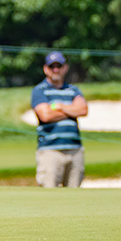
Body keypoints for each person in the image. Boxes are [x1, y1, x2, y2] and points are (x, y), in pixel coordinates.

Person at [31, 51, 88, 188]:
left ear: (65, 68)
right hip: (51, 150)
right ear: (46, 69)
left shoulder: (73, 90)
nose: (56, 70)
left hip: (75, 149)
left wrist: (58, 106)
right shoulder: (40, 90)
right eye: (52, 67)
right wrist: (71, 109)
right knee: (50, 194)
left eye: (59, 66)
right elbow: (45, 115)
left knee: (74, 195)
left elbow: (83, 110)